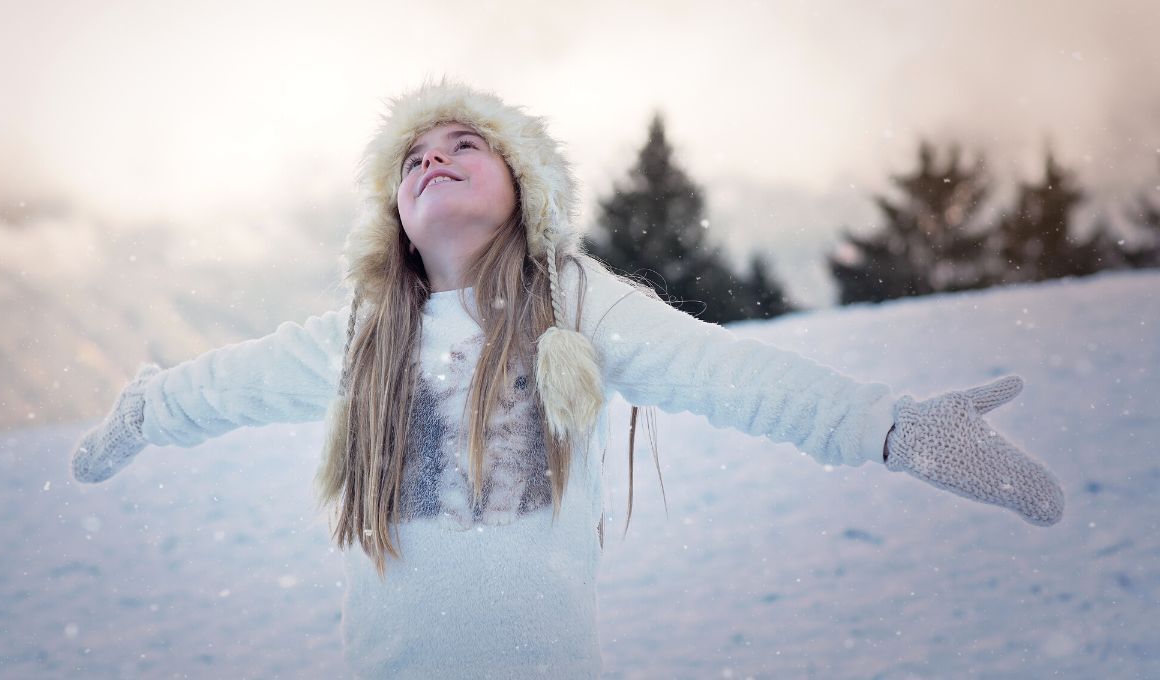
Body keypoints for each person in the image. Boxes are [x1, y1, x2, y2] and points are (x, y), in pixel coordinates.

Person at [70, 77, 1065, 679]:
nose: (435, 159)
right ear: (393, 213)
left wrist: (889, 424)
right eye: (413, 156)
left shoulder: (576, 303)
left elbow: (724, 372)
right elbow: (228, 383)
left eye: (466, 145)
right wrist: (147, 406)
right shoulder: (364, 337)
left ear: (525, 190)